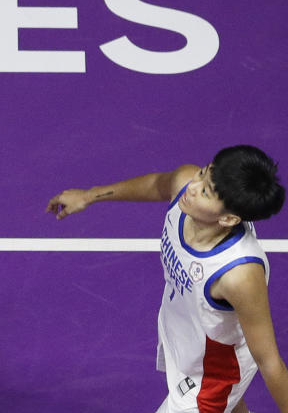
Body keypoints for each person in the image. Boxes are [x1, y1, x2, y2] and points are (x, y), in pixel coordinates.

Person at [46, 145, 288, 413]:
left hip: (212, 375)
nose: (193, 187)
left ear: (229, 218)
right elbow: (156, 184)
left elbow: (269, 361)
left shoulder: (238, 274)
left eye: (206, 192)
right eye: (203, 173)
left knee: (226, 400)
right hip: (185, 338)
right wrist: (90, 196)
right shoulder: (186, 182)